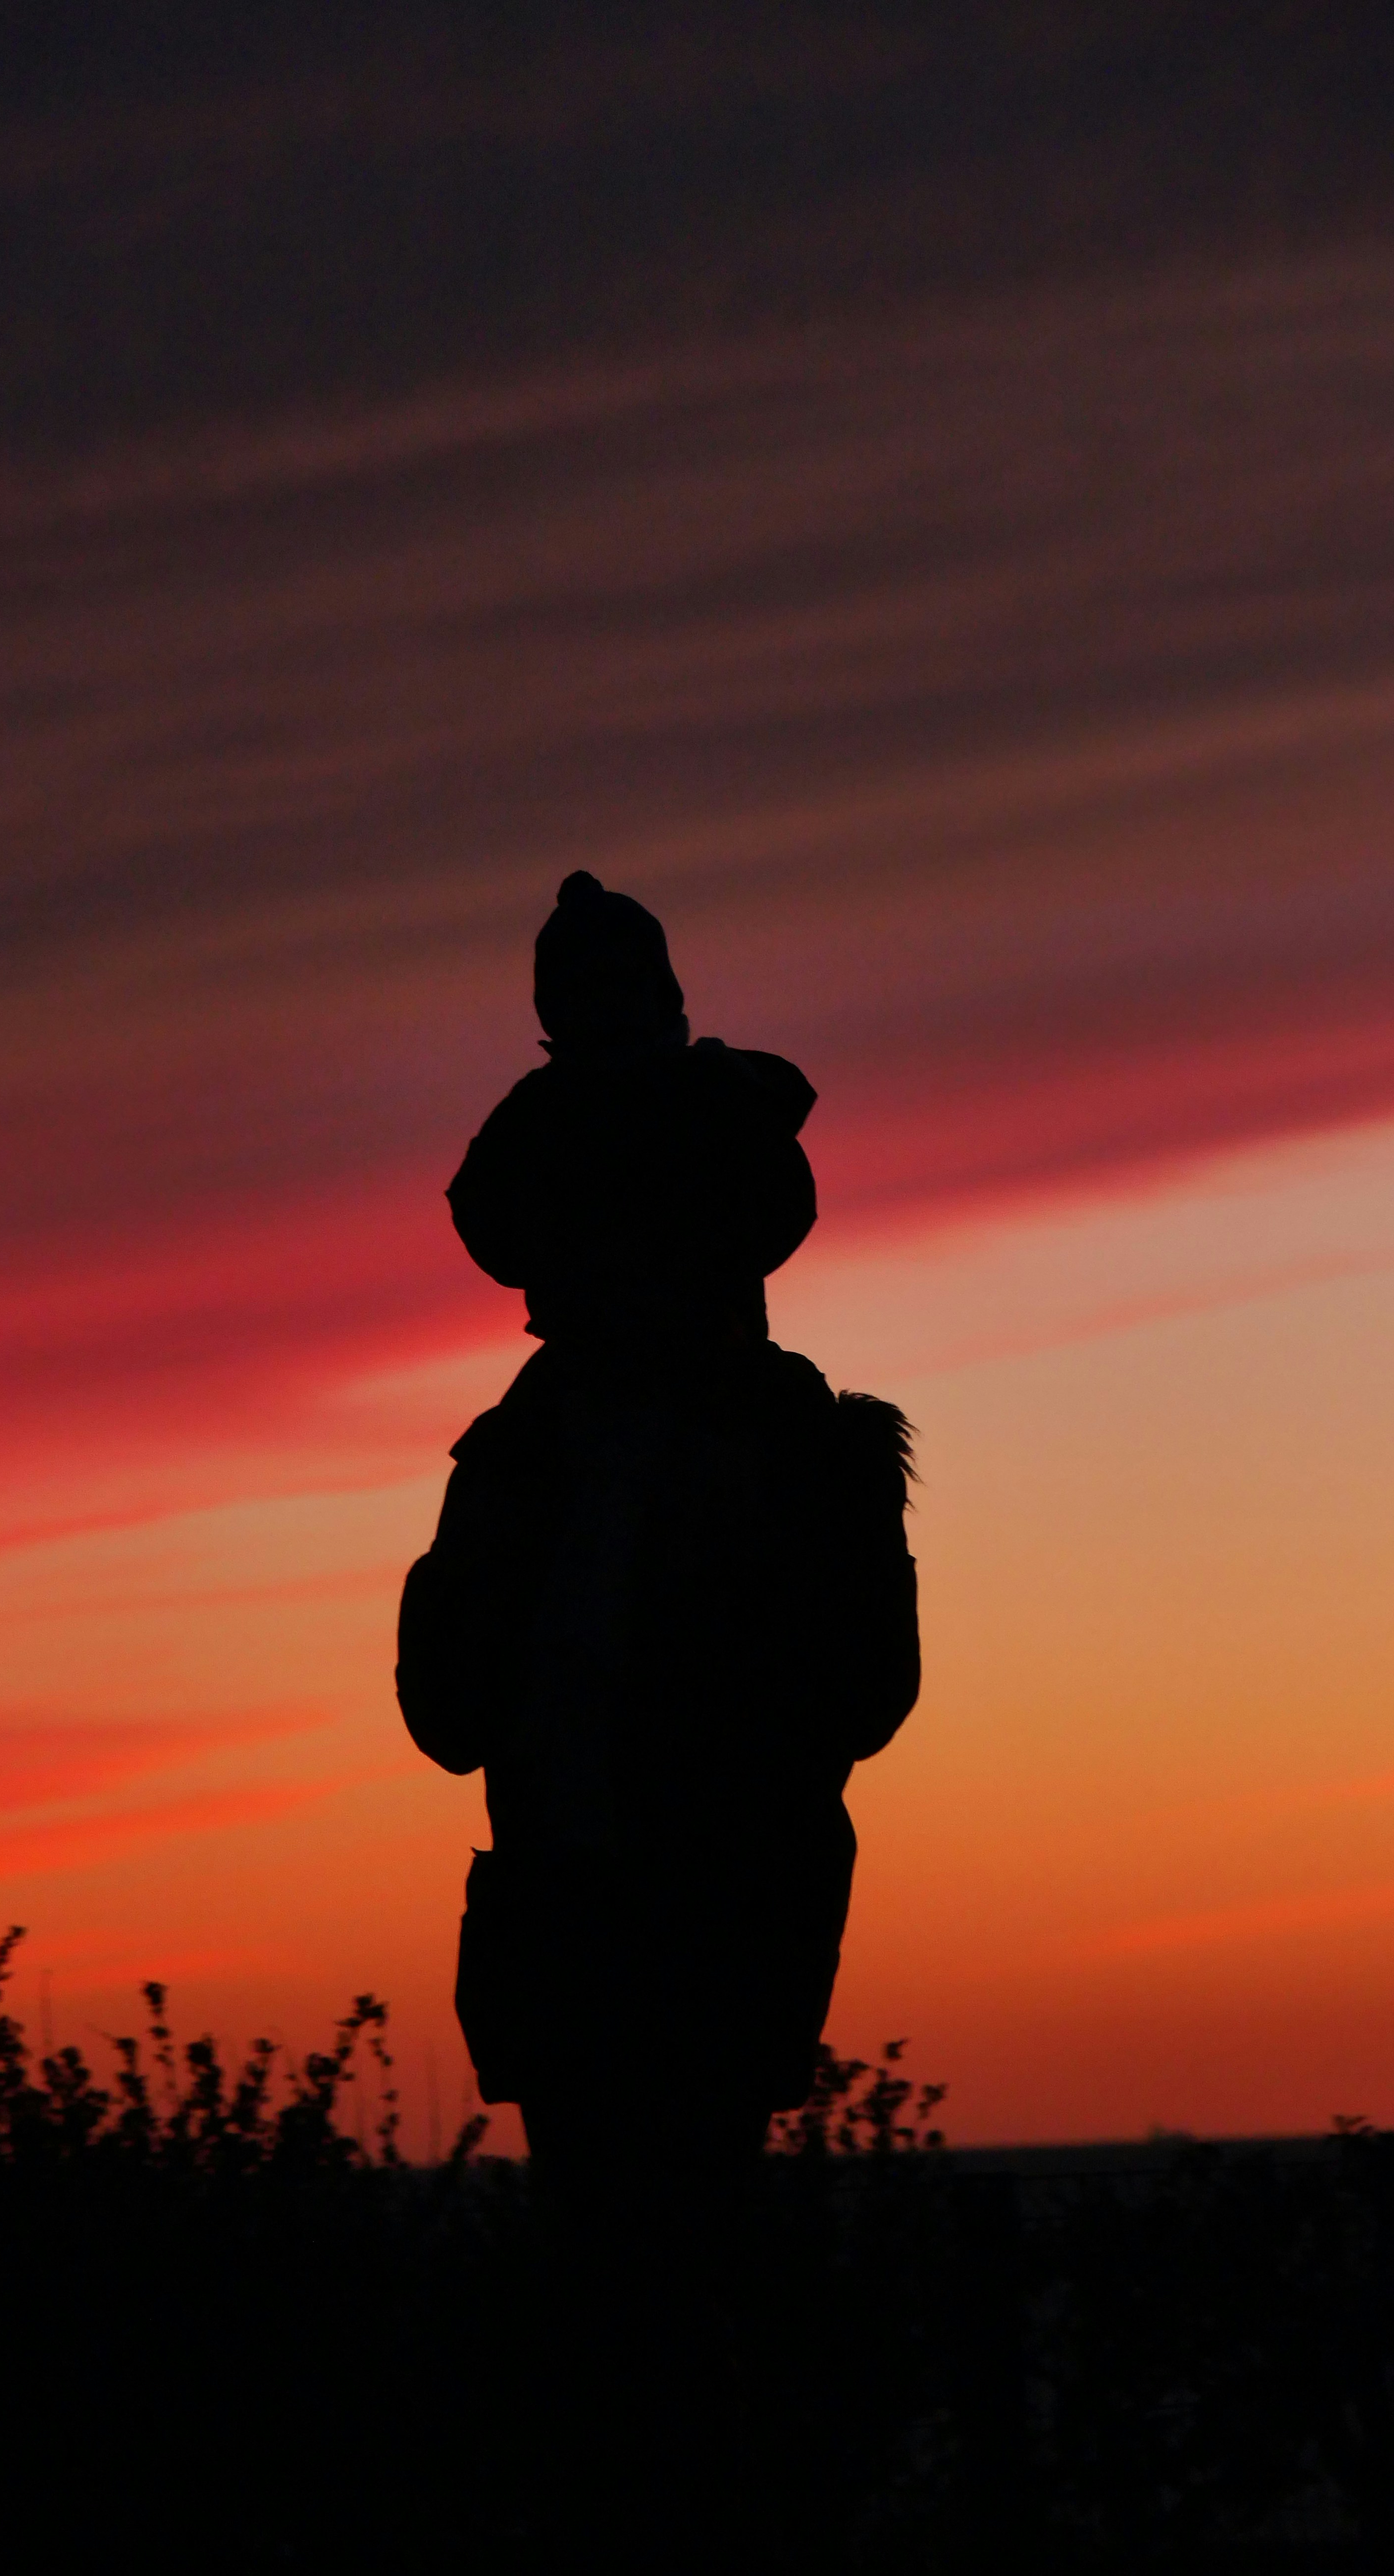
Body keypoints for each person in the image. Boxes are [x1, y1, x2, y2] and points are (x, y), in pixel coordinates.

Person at [397, 873, 920, 2226]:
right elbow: (449, 1713)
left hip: (706, 1949)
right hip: (606, 1956)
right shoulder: (538, 1456)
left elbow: (865, 1694)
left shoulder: (767, 1441)